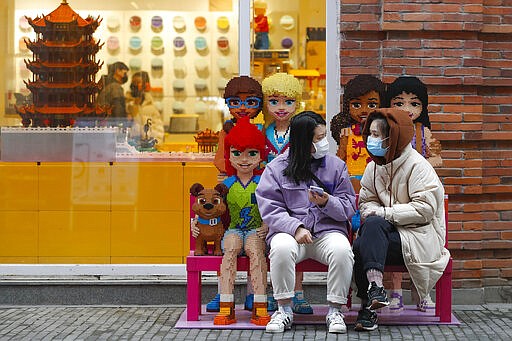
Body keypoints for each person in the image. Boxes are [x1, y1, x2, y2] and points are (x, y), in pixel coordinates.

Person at [256, 111, 356, 334]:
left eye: (324, 136)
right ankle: (283, 310)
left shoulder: (336, 166)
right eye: (318, 138)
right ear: (303, 141)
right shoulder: (277, 168)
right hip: (290, 234)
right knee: (280, 247)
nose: (324, 143)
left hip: (327, 232)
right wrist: (296, 227)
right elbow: (269, 208)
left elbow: (349, 207)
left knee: (342, 250)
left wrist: (327, 202)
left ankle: (335, 310)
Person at [353, 108, 450, 332]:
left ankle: (368, 307)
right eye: (370, 134)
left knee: (364, 240)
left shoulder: (419, 166)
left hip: (419, 237)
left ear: (393, 136)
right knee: (364, 238)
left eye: (377, 135)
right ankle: (375, 290)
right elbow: (366, 201)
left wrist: (385, 213)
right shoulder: (373, 167)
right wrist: (375, 213)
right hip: (384, 236)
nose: (371, 140)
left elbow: (424, 209)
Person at [385, 76, 443, 311]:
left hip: (419, 195)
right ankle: (395, 291)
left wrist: (426, 163)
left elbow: (437, 158)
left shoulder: (424, 133)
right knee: (394, 243)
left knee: (423, 245)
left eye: (414, 104)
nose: (407, 109)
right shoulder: (386, 131)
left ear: (423, 107)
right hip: (394, 192)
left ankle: (421, 291)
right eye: (399, 103)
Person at [261, 72, 312, 314]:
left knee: (297, 242)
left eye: (288, 102)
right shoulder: (262, 133)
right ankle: (273, 291)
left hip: (295, 194)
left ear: (297, 104)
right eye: (274, 101)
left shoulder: (300, 132)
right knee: (272, 246)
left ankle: (298, 291)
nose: (281, 108)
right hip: (268, 195)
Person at [213, 117, 270, 326]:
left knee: (256, 252)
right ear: (229, 155)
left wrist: (267, 225)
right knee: (230, 251)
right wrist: (198, 224)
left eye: (252, 154)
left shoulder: (263, 182)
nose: (244, 159)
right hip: (233, 230)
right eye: (237, 153)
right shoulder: (226, 185)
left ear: (260, 156)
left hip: (256, 230)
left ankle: (260, 305)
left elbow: (273, 207)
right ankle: (226, 307)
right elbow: (212, 208)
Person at [330, 75, 386, 192]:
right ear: (347, 106)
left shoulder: (385, 131)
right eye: (356, 105)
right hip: (352, 182)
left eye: (371, 105)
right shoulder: (347, 132)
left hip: (378, 182)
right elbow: (340, 159)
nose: (364, 110)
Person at [126, 71, 164, 144]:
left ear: (145, 85)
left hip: (147, 148)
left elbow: (159, 132)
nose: (135, 85)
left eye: (138, 82)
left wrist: (152, 144)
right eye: (133, 82)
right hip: (131, 147)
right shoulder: (127, 104)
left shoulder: (151, 107)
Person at [97, 61, 130, 126]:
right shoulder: (115, 87)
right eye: (125, 72)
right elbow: (118, 108)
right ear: (118, 71)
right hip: (112, 123)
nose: (126, 75)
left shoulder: (107, 85)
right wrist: (122, 124)